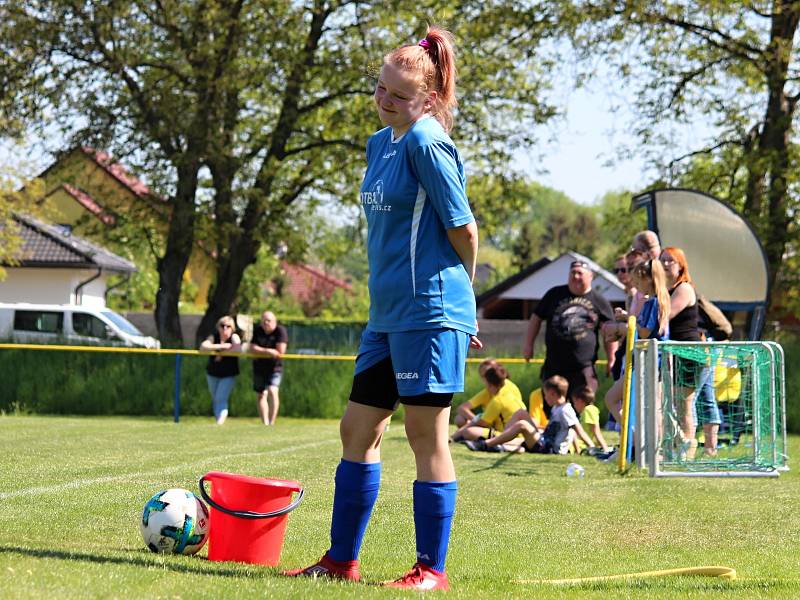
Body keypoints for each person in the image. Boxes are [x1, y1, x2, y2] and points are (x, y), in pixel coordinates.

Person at [283, 27, 480, 591]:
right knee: (356, 429)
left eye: (399, 94)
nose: (385, 100)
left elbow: (464, 228)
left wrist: (462, 307)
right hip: (386, 316)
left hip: (429, 312)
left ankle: (430, 571)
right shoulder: (379, 143)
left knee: (425, 436)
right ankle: (341, 561)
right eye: (381, 88)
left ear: (429, 99)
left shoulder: (426, 141)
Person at [523, 259, 617, 403]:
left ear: (590, 276)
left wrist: (612, 357)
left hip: (583, 368)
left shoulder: (599, 301)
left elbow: (610, 330)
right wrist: (529, 345)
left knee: (581, 407)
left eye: (580, 273)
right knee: (552, 409)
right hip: (554, 365)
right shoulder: (554, 294)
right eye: (572, 273)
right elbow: (536, 318)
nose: (575, 276)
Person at [660, 246, 721, 458]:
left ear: (681, 266)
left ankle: (689, 450)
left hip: (691, 353)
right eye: (662, 260)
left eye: (671, 261)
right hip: (676, 353)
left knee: (686, 403)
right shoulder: (664, 290)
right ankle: (682, 447)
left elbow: (665, 315)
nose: (665, 264)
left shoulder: (684, 288)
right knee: (679, 402)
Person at [603, 259, 671, 424]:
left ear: (647, 279)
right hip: (650, 360)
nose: (635, 285)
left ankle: (636, 441)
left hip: (646, 361)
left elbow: (645, 332)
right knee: (650, 406)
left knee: (614, 399)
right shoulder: (660, 300)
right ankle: (637, 441)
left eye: (637, 281)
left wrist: (627, 318)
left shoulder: (652, 302)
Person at [468, 375, 595, 454]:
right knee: (521, 413)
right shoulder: (557, 407)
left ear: (552, 393)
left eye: (545, 395)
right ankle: (498, 443)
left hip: (550, 448)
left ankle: (485, 445)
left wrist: (592, 447)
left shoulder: (566, 410)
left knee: (522, 425)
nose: (545, 398)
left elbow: (577, 430)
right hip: (544, 440)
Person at [450, 360, 525, 443]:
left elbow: (482, 422)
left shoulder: (498, 400)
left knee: (469, 432)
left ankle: (458, 438)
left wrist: (459, 433)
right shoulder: (502, 391)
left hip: (506, 433)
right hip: (517, 430)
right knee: (463, 421)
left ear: (490, 383)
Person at [199, 315, 241, 425]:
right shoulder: (214, 336)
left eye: (228, 326)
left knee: (220, 398)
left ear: (232, 328)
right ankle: (218, 420)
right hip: (212, 373)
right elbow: (203, 347)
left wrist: (222, 354)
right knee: (215, 399)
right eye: (222, 326)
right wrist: (221, 346)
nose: (225, 328)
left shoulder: (234, 337)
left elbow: (238, 348)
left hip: (228, 374)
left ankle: (219, 423)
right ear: (218, 327)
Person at [250, 310, 288, 426]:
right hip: (259, 367)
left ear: (275, 322)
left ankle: (272, 422)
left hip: (274, 368)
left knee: (272, 390)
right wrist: (268, 351)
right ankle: (265, 423)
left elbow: (280, 351)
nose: (266, 323)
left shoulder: (280, 331)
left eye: (269, 320)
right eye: (264, 320)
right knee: (261, 394)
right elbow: (252, 348)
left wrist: (260, 351)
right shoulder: (258, 331)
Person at [571, 386, 610, 454]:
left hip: (581, 445)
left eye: (574, 402)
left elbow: (596, 431)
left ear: (580, 401)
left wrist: (605, 449)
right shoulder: (587, 411)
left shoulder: (588, 410)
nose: (574, 405)